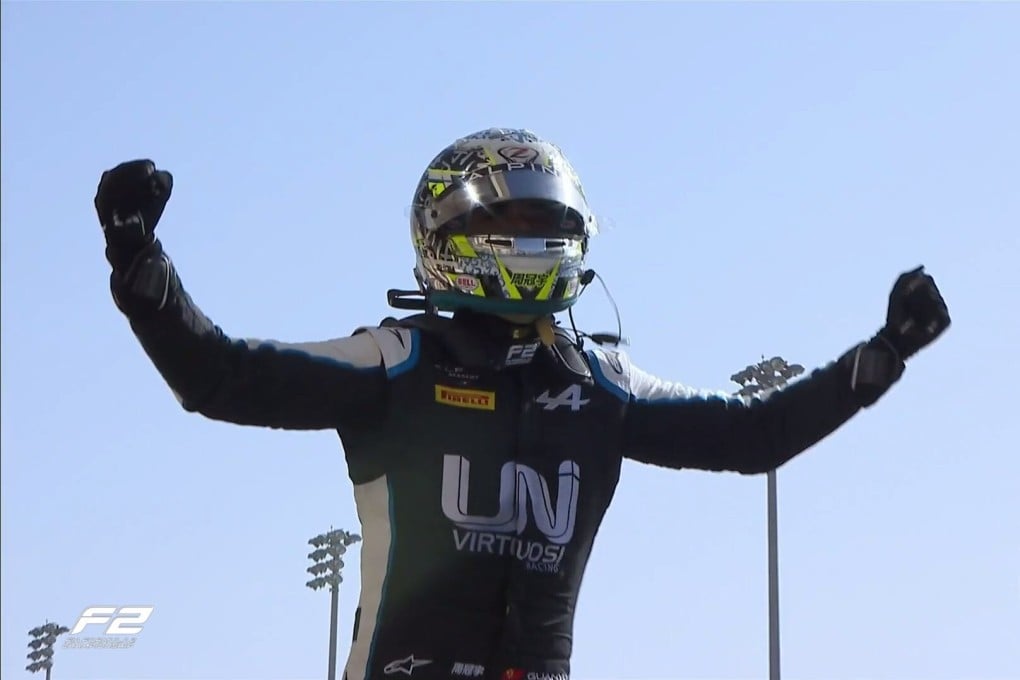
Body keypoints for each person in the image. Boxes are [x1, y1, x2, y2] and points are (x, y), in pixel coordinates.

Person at [94, 128, 950, 680]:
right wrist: (141, 266)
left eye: (549, 225)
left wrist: (879, 357)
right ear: (445, 238)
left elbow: (753, 435)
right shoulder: (396, 359)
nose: (535, 244)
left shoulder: (603, 381)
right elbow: (219, 377)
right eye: (511, 224)